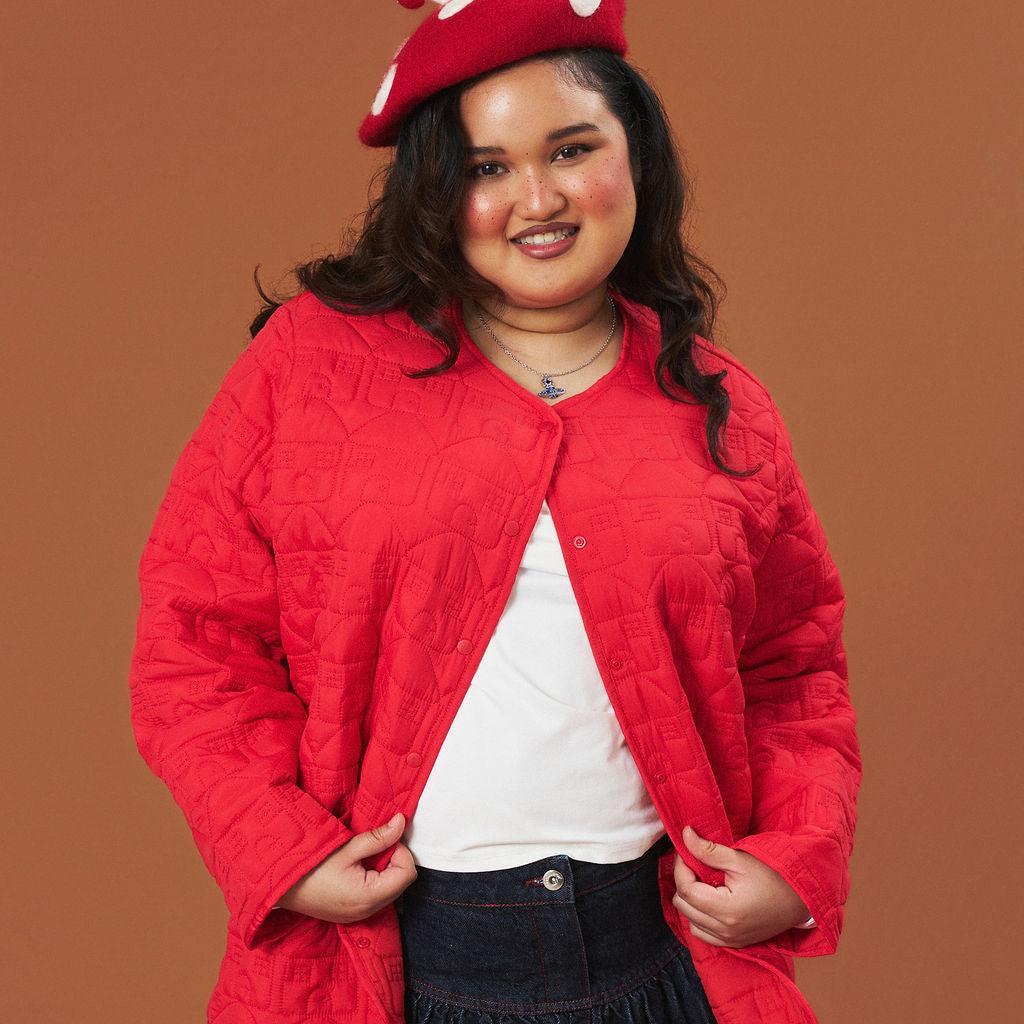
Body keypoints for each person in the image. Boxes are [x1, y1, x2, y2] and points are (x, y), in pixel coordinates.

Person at [127, 2, 861, 1023]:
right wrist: (280, 850)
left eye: (572, 149)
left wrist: (795, 858)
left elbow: (794, 669)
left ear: (636, 154)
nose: (539, 199)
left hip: (663, 958)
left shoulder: (720, 403)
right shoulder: (309, 368)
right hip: (402, 964)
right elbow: (194, 640)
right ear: (436, 186)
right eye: (487, 167)